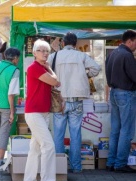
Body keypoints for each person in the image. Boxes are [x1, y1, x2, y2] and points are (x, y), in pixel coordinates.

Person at [48, 32, 101, 173]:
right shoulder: (81, 56)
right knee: (75, 134)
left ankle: (59, 167)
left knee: (58, 134)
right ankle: (76, 167)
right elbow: (97, 68)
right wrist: (85, 74)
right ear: (75, 44)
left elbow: (46, 72)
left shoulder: (54, 56)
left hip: (60, 100)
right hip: (77, 100)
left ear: (63, 43)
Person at [23, 39, 59, 181]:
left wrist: (49, 68)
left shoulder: (40, 68)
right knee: (48, 145)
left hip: (41, 112)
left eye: (47, 51)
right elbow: (55, 82)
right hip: (35, 112)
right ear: (34, 53)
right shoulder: (35, 68)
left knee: (35, 148)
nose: (45, 53)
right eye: (41, 51)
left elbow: (54, 81)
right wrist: (50, 69)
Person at [105, 29, 136, 173]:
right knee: (126, 130)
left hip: (114, 93)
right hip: (126, 94)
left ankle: (111, 162)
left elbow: (107, 75)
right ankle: (120, 163)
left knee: (115, 129)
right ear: (130, 41)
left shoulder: (112, 54)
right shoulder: (127, 55)